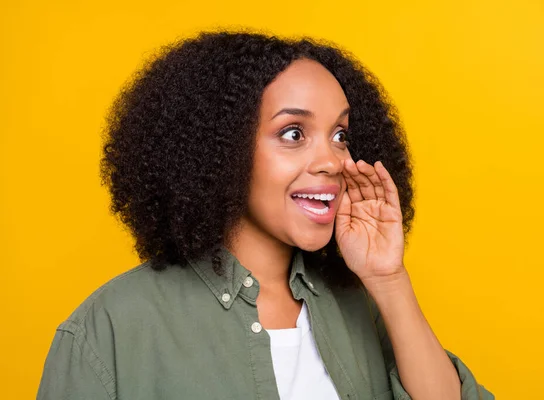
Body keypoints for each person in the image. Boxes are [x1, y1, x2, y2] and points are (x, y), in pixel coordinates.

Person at [37, 30, 494, 400]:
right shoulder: (110, 330)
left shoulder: (358, 306)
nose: (333, 161)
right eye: (294, 133)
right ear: (220, 150)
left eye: (340, 135)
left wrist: (389, 279)